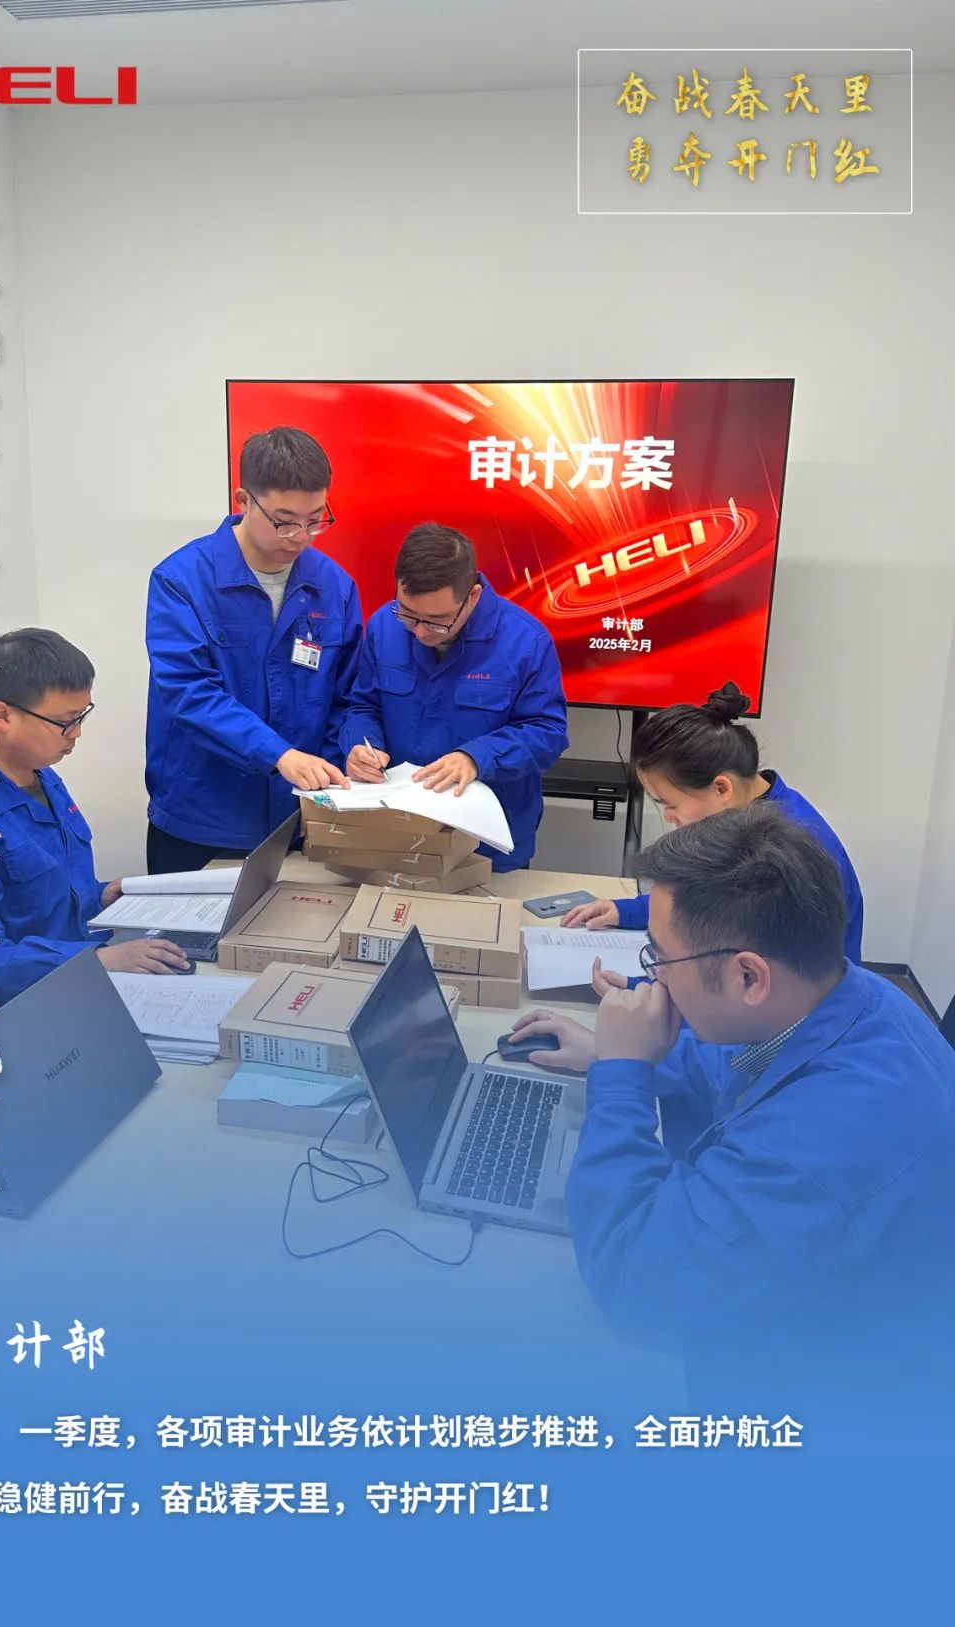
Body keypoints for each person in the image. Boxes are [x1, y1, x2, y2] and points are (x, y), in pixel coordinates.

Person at [511, 805, 955, 1438]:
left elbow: (633, 1277)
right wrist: (623, 1051)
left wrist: (623, 1075)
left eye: (660, 958)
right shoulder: (851, 994)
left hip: (834, 1411)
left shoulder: (820, 1144)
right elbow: (737, 1063)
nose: (653, 978)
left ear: (749, 975)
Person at [0, 628, 190, 1029]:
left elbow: (37, 895)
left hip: (66, 985)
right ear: (3, 716)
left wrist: (99, 895)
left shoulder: (36, 774)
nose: (77, 733)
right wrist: (98, 960)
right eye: (65, 722)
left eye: (82, 716)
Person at [145, 426, 363, 873]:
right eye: (284, 521)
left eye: (315, 519)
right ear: (244, 500)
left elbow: (348, 696)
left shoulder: (333, 586)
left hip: (298, 820)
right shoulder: (182, 581)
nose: (300, 536)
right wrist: (277, 754)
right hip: (201, 821)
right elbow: (189, 692)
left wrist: (343, 762)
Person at [562, 681, 864, 962]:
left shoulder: (783, 853)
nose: (668, 817)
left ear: (721, 789)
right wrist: (623, 911)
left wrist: (645, 988)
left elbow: (746, 977)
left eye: (671, 805)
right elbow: (698, 898)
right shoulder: (747, 812)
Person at [339, 523, 568, 871]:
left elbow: (547, 733)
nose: (420, 632)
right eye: (408, 614)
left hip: (485, 843)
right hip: (396, 830)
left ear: (473, 596)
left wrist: (476, 758)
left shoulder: (526, 642)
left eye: (437, 620)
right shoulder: (385, 626)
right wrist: (360, 746)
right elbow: (364, 706)